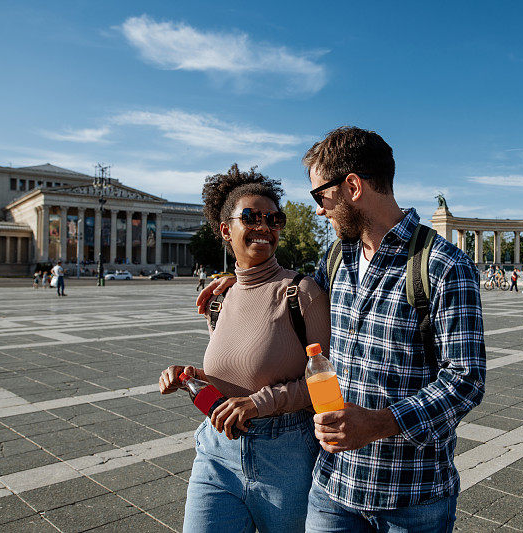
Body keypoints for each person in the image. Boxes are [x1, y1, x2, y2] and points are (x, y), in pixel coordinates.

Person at [199, 127, 485, 532]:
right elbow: (283, 287)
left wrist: (382, 422)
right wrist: (240, 278)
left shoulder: (442, 265)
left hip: (410, 496)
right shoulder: (337, 258)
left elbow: (466, 379)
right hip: (333, 489)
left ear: (351, 186)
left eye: (320, 196)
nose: (318, 210)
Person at [161, 165, 330, 533]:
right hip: (216, 451)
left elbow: (329, 384)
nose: (264, 226)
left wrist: (261, 402)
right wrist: (192, 377)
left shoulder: (301, 293)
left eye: (274, 218)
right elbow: (239, 370)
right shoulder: (218, 300)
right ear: (226, 229)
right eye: (251, 216)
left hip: (285, 456)